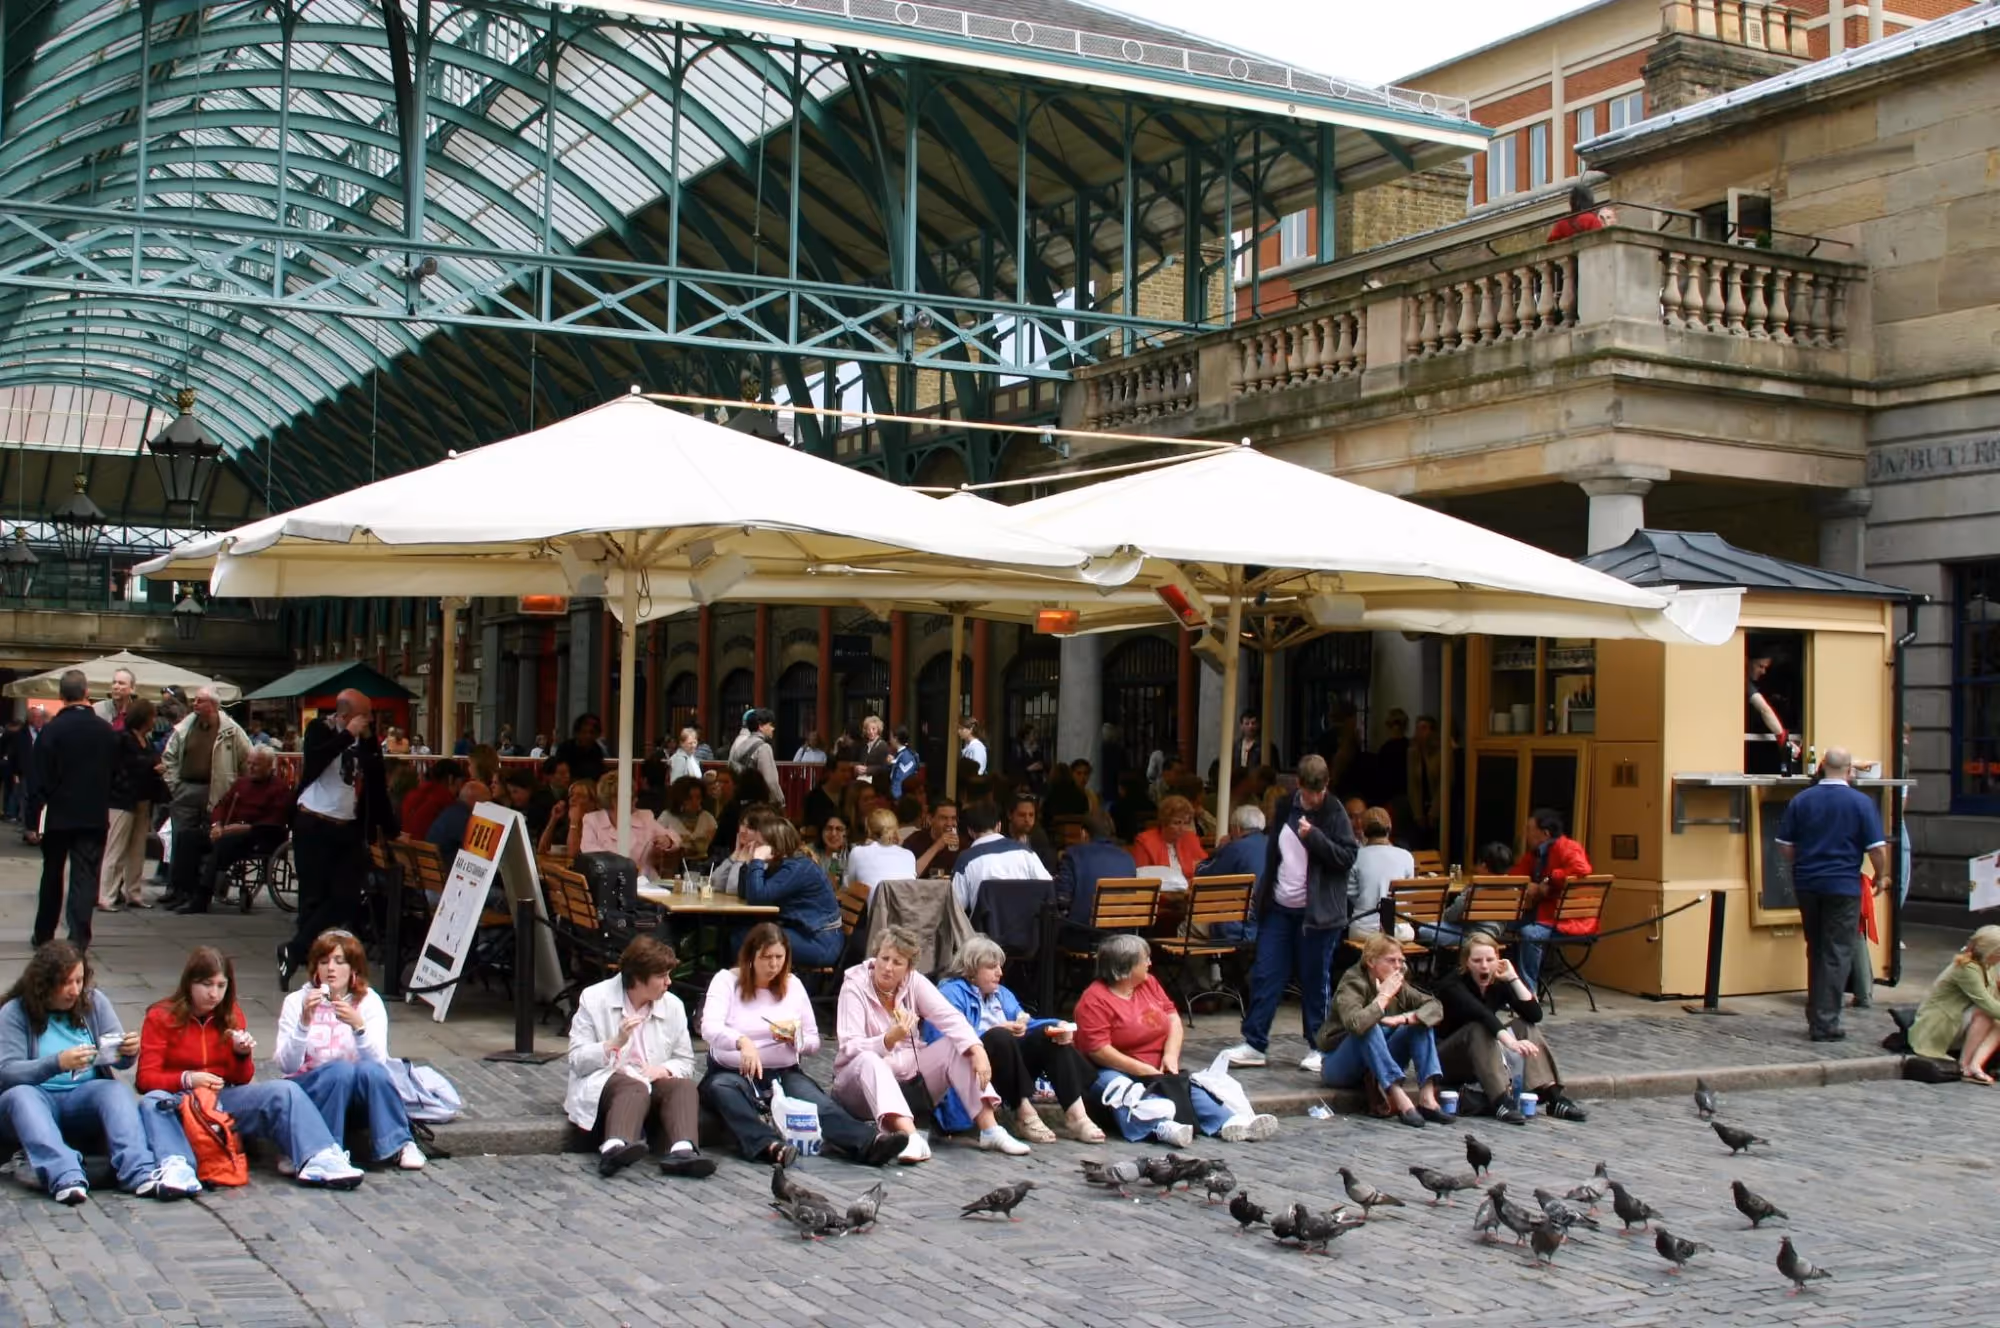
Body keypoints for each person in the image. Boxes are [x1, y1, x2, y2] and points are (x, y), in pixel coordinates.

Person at [137, 947, 365, 1187]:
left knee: (283, 1090)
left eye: (221, 986)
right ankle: (176, 1168)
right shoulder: (161, 1016)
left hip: (220, 1100)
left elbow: (242, 1078)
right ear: (189, 983)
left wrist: (241, 1054)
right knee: (152, 1102)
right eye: (206, 985)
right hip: (180, 1101)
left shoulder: (230, 1014)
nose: (214, 994)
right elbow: (145, 1079)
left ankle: (318, 1155)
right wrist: (188, 1079)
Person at [0, 941, 203, 1204]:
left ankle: (139, 1171)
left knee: (115, 1090)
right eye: (66, 982)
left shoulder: (94, 1002)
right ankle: (66, 1176)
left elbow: (119, 1061)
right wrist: (57, 1062)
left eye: (79, 980)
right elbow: (7, 1071)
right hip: (35, 1098)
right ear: (45, 983)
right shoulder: (15, 1012)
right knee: (21, 1096)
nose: (75, 990)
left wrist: (127, 1051)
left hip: (82, 1096)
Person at [698, 924, 908, 1166]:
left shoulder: (793, 985)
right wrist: (742, 1042)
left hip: (783, 1070)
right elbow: (709, 1028)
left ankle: (870, 1144)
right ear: (751, 957)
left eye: (779, 957)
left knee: (818, 1103)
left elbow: (813, 1041)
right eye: (767, 958)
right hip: (733, 1070)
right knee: (723, 1089)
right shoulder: (725, 981)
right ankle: (767, 1146)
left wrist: (795, 1040)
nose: (774, 965)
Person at [1222, 754, 1358, 1074]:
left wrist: (1316, 838)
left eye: (1319, 791)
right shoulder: (1285, 807)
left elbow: (1347, 857)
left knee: (1314, 979)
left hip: (1318, 914)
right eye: (1309, 791)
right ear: (1298, 785)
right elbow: (1275, 854)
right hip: (1280, 907)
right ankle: (1255, 1043)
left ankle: (1318, 1045)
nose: (1314, 798)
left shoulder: (1334, 811)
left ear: (1327, 785)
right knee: (1266, 973)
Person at [831, 927, 1016, 1161]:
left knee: (954, 1045)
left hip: (909, 1081)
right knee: (870, 1059)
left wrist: (977, 1049)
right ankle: (910, 1137)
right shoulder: (854, 984)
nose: (888, 967)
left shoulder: (913, 982)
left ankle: (990, 1130)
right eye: (884, 958)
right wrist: (888, 1039)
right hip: (857, 1088)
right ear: (875, 956)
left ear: (908, 968)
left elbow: (950, 1018)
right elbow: (849, 1047)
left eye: (897, 962)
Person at [1075, 934, 1276, 1145]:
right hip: (1112, 1069)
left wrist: (1170, 1056)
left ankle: (1227, 1121)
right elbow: (1098, 1050)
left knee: (1189, 1088)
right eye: (1145, 960)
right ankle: (1160, 1126)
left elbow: (1172, 1019)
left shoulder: (1149, 983)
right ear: (1125, 967)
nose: (1149, 964)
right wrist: (1140, 1069)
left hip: (1156, 1065)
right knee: (1121, 1089)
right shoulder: (1094, 1000)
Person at [565, 934, 716, 1178]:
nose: (668, 982)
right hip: (609, 1081)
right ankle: (615, 1148)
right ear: (637, 978)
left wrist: (663, 1070)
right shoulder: (594, 998)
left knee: (684, 1087)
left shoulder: (673, 1005)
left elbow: (685, 1061)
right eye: (661, 976)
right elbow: (577, 1060)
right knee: (631, 1086)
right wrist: (614, 1043)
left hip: (651, 1081)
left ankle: (683, 1152)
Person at [275, 931, 424, 1170]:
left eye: (339, 961)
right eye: (324, 962)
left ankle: (400, 1143)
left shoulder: (368, 1001)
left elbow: (379, 1062)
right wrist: (303, 1023)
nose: (330, 969)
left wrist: (359, 1027)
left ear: (353, 969)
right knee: (341, 1070)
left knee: (370, 1072)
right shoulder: (296, 1001)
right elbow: (286, 1065)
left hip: (353, 1095)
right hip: (309, 1091)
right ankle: (321, 1149)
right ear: (315, 969)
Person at [935, 934, 1105, 1144]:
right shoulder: (950, 993)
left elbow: (1026, 1022)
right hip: (975, 1071)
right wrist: (996, 1029)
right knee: (999, 1036)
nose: (1000, 973)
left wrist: (1056, 1025)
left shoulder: (1002, 993)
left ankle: (1077, 1116)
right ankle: (1024, 1114)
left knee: (1049, 1038)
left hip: (1010, 1067)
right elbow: (944, 1041)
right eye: (992, 967)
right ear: (971, 970)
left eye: (1000, 966)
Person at [282, 690, 395, 986]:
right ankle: (307, 967)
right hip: (314, 823)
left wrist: (390, 827)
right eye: (365, 714)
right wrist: (346, 735)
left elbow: (376, 783)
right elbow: (316, 761)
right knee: (312, 898)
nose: (370, 720)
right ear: (347, 715)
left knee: (345, 898)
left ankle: (294, 950)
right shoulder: (321, 729)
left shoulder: (367, 740)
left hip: (347, 827)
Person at [1777, 747, 1888, 1043]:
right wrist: (1881, 875)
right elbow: (1877, 849)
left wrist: (1804, 861)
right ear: (1850, 770)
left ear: (1823, 766)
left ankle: (1816, 1013)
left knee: (1815, 947)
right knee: (1837, 951)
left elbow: (1786, 847)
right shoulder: (1861, 803)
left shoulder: (1801, 800)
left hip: (1808, 882)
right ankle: (1825, 1022)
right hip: (1843, 884)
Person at [1434, 932, 1585, 1124]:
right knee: (1478, 1028)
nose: (1484, 966)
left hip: (1484, 1055)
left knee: (1524, 1025)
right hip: (1448, 1057)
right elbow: (1482, 1014)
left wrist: (1513, 978)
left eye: (1490, 959)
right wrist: (1510, 1043)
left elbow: (1534, 1015)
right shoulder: (1452, 985)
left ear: (1498, 959)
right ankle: (1501, 1100)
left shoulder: (1499, 981)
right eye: (1477, 960)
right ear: (1466, 963)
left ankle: (1553, 1097)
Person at [1317, 932, 1448, 1128]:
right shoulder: (1353, 983)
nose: (1398, 967)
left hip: (1377, 1058)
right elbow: (1355, 1024)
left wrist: (1406, 1018)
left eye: (1401, 961)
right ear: (1371, 961)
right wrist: (1383, 998)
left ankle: (1427, 1099)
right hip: (1340, 1065)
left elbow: (1435, 1006)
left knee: (1421, 1022)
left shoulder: (1397, 982)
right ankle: (1397, 1094)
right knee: (1368, 1027)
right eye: (1391, 961)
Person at [32, 670, 117, 949]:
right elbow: (116, 773)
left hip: (58, 814)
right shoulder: (106, 732)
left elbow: (38, 778)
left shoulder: (51, 731)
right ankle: (79, 936)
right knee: (85, 875)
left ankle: (44, 933)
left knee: (52, 873)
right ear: (86, 692)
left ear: (60, 696)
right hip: (93, 815)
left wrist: (33, 818)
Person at [159, 687, 253, 911]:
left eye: (200, 701)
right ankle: (178, 889)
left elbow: (247, 759)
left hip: (216, 792)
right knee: (181, 840)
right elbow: (169, 756)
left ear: (213, 705)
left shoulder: (231, 730)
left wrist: (234, 791)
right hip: (187, 789)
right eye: (195, 700)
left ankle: (198, 892)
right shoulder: (184, 728)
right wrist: (175, 785)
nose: (195, 704)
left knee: (206, 842)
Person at [188, 745, 293, 914]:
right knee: (188, 837)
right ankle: (181, 890)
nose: (250, 768)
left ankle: (202, 897)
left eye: (256, 765)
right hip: (229, 829)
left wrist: (246, 827)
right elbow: (222, 805)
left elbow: (276, 820)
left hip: (258, 835)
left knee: (224, 843)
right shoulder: (241, 783)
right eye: (249, 764)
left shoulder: (279, 789)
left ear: (269, 766)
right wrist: (217, 825)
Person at [741, 808, 844, 966]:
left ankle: (747, 987)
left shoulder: (796, 867)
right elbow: (746, 893)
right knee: (739, 932)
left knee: (744, 939)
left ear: (774, 846)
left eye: (760, 844)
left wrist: (757, 861)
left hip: (820, 941)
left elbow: (756, 898)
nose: (756, 848)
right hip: (805, 933)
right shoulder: (782, 864)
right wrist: (749, 862)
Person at [1508, 808, 1595, 991]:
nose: (1526, 835)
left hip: (1568, 921)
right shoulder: (1536, 854)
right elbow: (1515, 874)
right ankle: (1507, 987)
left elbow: (1582, 869)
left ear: (1544, 833)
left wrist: (1549, 879)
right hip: (1545, 916)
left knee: (1529, 934)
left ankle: (1527, 993)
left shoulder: (1568, 847)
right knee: (1502, 925)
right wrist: (1527, 884)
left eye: (1529, 829)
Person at [99, 696, 167, 913]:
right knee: (116, 848)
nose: (155, 720)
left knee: (137, 850)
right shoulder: (122, 738)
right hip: (121, 800)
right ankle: (106, 896)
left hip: (142, 798)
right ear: (145, 718)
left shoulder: (146, 741)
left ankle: (133, 892)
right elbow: (123, 766)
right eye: (152, 716)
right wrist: (152, 766)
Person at [1907, 926, 2000, 1078]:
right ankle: (1965, 1064)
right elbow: (1987, 1004)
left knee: (1997, 1022)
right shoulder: (1967, 968)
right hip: (1937, 1026)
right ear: (1991, 951)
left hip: (1957, 1021)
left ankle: (1976, 1064)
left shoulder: (1986, 966)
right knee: (1985, 1013)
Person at [951, 800, 1052, 915]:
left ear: (970, 831)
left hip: (982, 932)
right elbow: (1048, 889)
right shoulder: (1026, 853)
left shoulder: (966, 860)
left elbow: (955, 909)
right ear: (999, 826)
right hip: (1027, 931)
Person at [579, 770, 681, 873]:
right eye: (631, 796)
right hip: (607, 880)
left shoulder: (644, 817)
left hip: (644, 882)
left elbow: (676, 838)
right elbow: (588, 849)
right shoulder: (592, 819)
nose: (636, 799)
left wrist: (668, 840)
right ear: (614, 800)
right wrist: (623, 864)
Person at [1195, 805, 1269, 942]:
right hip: (1268, 926)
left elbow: (1202, 876)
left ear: (1237, 828)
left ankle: (1212, 963)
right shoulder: (1273, 845)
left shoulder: (1235, 848)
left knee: (1187, 927)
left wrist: (1219, 850)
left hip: (1238, 927)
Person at [1056, 811, 1138, 928]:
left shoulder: (1072, 855)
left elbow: (1062, 900)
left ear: (1084, 833)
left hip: (1082, 934)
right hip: (1121, 933)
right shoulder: (1127, 858)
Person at [1348, 807, 1415, 941]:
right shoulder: (1406, 856)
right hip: (1400, 930)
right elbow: (1408, 896)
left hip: (1364, 930)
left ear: (1364, 831)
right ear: (1389, 827)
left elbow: (1351, 895)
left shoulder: (1355, 857)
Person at [1745, 650, 1798, 775]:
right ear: (1746, 661)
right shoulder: (1744, 683)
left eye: (1765, 668)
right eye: (1760, 666)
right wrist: (1783, 740)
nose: (1763, 672)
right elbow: (1764, 709)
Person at [846, 807, 915, 899]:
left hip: (875, 913)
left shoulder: (857, 852)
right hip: (907, 912)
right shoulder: (909, 855)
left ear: (869, 831)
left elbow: (850, 886)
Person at [1133, 794, 1205, 878]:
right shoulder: (1144, 842)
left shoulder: (1191, 839)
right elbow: (1141, 876)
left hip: (1189, 888)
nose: (1182, 828)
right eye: (1177, 823)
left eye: (1186, 823)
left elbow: (1204, 868)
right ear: (1164, 822)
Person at [729, 707, 784, 808]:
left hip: (741, 801)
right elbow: (770, 781)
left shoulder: (741, 745)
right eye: (770, 725)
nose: (773, 728)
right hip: (759, 804)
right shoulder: (763, 747)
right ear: (760, 726)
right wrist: (780, 802)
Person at [399, 759, 464, 840]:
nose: (460, 790)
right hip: (430, 850)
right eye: (459, 784)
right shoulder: (445, 800)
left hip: (408, 849)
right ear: (450, 779)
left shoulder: (411, 795)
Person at [538, 776, 598, 859]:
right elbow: (542, 851)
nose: (573, 799)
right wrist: (553, 819)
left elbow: (573, 855)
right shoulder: (566, 825)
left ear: (593, 803)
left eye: (580, 796)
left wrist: (574, 822)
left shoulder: (596, 826)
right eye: (571, 795)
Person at [426, 779, 490, 858]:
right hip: (449, 866)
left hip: (437, 864)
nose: (488, 808)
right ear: (473, 800)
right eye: (485, 802)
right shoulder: (464, 819)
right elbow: (480, 846)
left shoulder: (450, 812)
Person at [659, 776, 717, 861]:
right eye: (689, 798)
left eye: (698, 797)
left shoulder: (708, 819)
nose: (694, 802)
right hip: (673, 868)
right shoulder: (666, 817)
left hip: (702, 868)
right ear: (679, 799)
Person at [1407, 715, 1443, 850]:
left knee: (1436, 844)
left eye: (1424, 728)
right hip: (1420, 806)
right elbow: (1412, 785)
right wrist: (1417, 814)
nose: (1420, 732)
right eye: (1418, 728)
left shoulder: (1442, 752)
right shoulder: (1412, 753)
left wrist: (1434, 812)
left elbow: (1444, 785)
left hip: (1437, 806)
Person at [904, 797, 961, 878]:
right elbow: (909, 875)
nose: (949, 823)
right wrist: (937, 846)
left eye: (953, 818)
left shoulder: (962, 843)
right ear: (930, 819)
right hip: (921, 889)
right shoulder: (914, 841)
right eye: (944, 818)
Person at [1005, 791, 1058, 874]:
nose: (1027, 820)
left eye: (1031, 815)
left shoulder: (1039, 837)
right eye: (1022, 815)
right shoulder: (1001, 837)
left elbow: (1048, 869)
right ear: (1009, 815)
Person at [553, 713, 608, 786]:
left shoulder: (597, 749)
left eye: (592, 732)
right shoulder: (565, 748)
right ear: (577, 733)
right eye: (584, 732)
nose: (588, 736)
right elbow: (559, 775)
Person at [1546, 183, 1616, 240]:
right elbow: (1600, 239)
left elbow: (1551, 244)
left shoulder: (1561, 224)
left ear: (1571, 202)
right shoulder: (1591, 219)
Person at [800, 764, 851, 838]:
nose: (848, 775)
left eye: (849, 771)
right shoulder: (813, 797)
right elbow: (808, 828)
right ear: (830, 772)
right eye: (843, 771)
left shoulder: (850, 795)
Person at [811, 814, 850, 886]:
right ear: (822, 831)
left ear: (846, 832)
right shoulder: (810, 852)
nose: (833, 834)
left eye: (839, 829)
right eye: (828, 828)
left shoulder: (854, 854)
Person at [1010, 721, 1047, 794]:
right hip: (1024, 784)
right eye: (1033, 734)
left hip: (1037, 783)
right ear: (1026, 736)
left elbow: (1042, 764)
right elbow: (1015, 767)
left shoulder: (1036, 749)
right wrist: (1029, 768)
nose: (1036, 736)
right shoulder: (1018, 748)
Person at [886, 724, 919, 800]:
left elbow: (899, 781)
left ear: (896, 739)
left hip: (900, 798)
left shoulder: (906, 756)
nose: (890, 740)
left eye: (891, 737)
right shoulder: (900, 754)